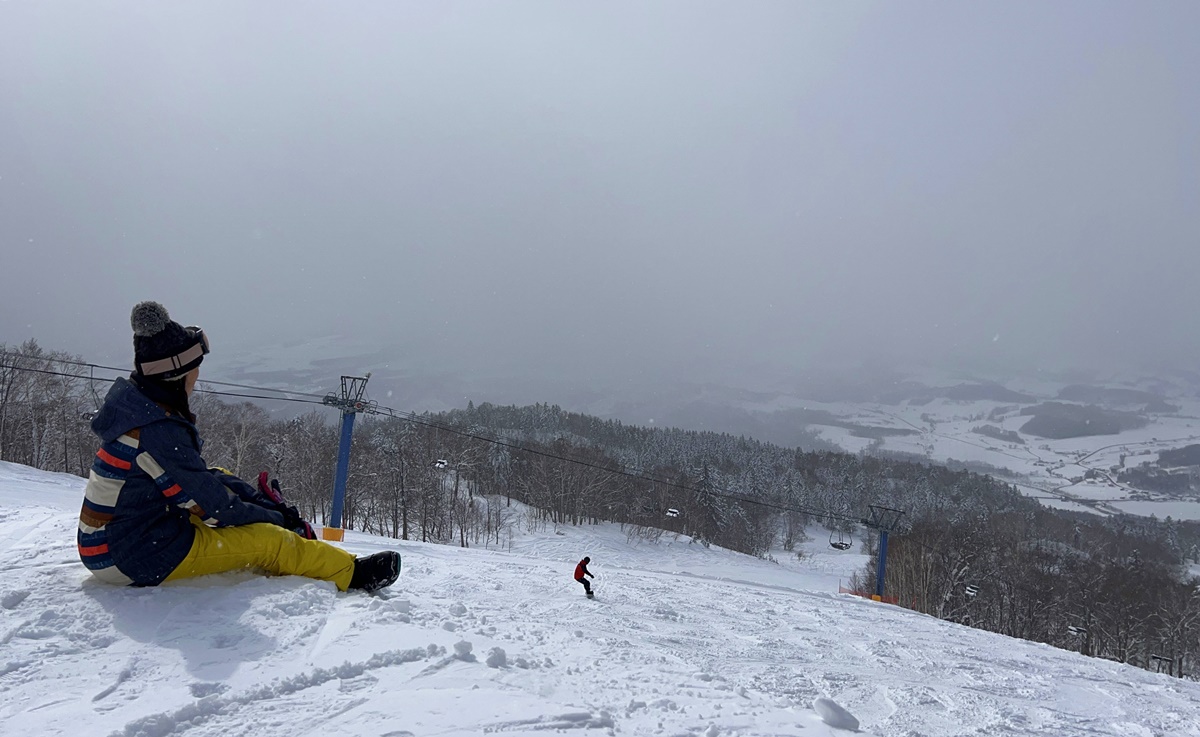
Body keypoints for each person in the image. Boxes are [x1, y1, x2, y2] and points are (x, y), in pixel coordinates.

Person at [77, 301, 399, 593]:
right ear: (175, 376)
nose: (197, 378)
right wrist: (276, 522)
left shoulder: (141, 409)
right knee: (271, 542)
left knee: (219, 474)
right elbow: (217, 509)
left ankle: (276, 517)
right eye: (193, 370)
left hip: (124, 537)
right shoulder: (157, 432)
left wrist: (256, 505)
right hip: (130, 556)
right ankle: (352, 573)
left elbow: (200, 482)